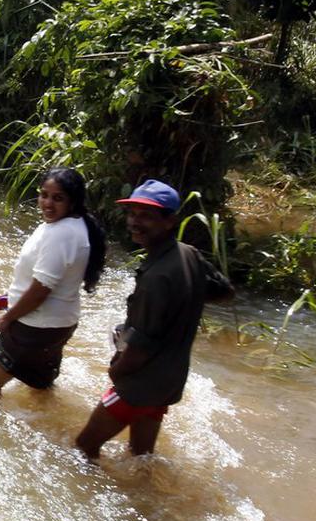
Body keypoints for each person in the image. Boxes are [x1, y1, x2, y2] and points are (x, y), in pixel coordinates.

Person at [74, 179, 234, 460]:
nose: (135, 222)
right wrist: (182, 302)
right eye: (132, 213)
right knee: (141, 455)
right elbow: (224, 290)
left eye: (146, 216)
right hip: (168, 383)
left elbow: (139, 350)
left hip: (139, 385)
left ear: (170, 221)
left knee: (85, 446)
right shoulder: (188, 254)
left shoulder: (157, 278)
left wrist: (116, 372)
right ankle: (142, 503)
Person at [0, 167, 107, 396]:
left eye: (58, 198)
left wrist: (8, 318)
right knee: (39, 387)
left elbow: (41, 289)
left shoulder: (61, 234)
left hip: (34, 326)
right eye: (44, 195)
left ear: (73, 201)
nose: (48, 203)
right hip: (57, 325)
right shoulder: (74, 226)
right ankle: (47, 429)